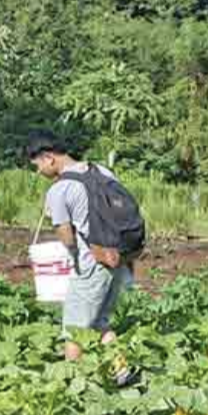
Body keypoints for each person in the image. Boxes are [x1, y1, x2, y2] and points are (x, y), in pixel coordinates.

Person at [27, 130, 133, 365]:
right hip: (118, 257)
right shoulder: (102, 171)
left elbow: (66, 237)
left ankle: (71, 383)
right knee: (98, 322)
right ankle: (123, 369)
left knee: (74, 329)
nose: (38, 171)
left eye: (37, 165)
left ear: (49, 158)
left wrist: (72, 254)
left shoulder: (59, 189)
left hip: (90, 263)